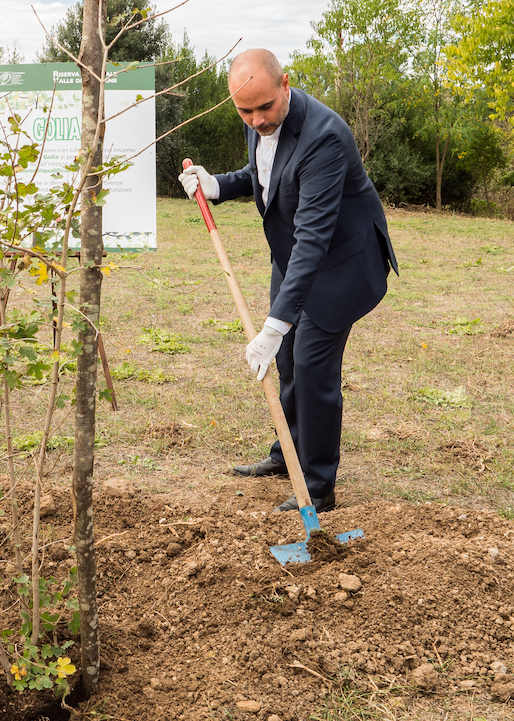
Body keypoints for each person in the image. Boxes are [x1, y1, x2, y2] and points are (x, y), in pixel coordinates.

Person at [179, 48, 398, 513]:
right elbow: (266, 176)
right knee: (287, 366)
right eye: (245, 111)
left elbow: (314, 238)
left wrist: (275, 324)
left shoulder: (325, 138)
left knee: (311, 368)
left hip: (339, 266)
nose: (256, 120)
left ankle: (318, 486)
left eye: (265, 108)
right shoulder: (258, 116)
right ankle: (287, 452)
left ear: (285, 85)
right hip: (294, 259)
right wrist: (216, 184)